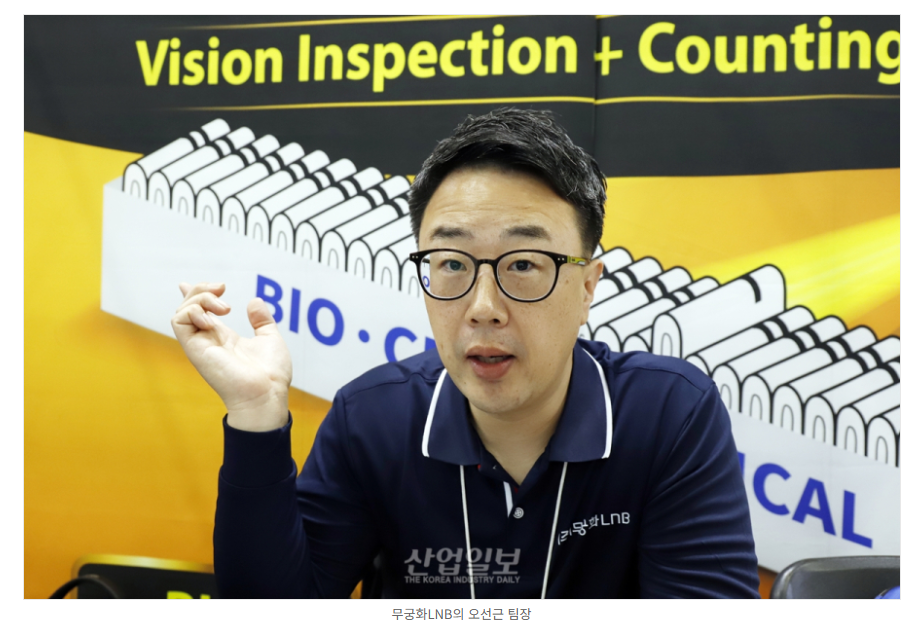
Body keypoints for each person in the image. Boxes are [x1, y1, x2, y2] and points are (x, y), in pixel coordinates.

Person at [172, 108, 760, 599]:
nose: (483, 307)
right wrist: (256, 416)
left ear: (587, 287)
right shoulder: (372, 420)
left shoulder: (668, 414)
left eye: (524, 264)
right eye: (452, 263)